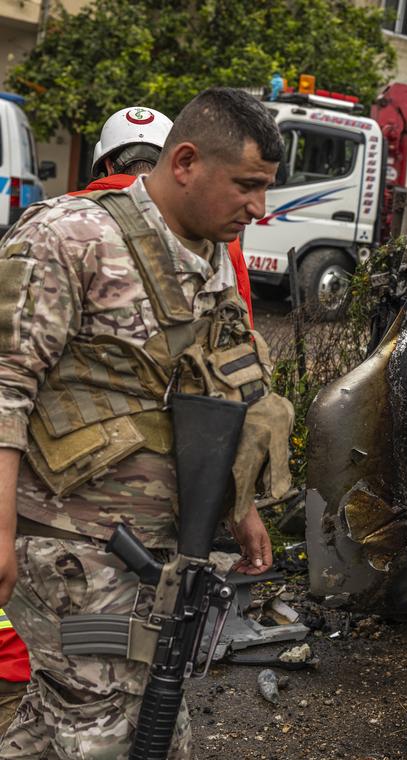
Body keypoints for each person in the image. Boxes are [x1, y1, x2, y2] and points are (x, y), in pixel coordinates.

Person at [0, 86, 290, 758]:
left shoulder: (207, 251)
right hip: (67, 538)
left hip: (156, 541)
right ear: (185, 161)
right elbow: (6, 383)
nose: (259, 208)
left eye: (266, 188)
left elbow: (217, 382)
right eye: (247, 186)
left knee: (71, 716)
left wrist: (239, 506)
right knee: (114, 729)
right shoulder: (66, 237)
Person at [71, 105, 256, 324]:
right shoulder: (215, 229)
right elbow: (242, 318)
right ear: (173, 162)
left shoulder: (59, 216)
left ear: (108, 165)